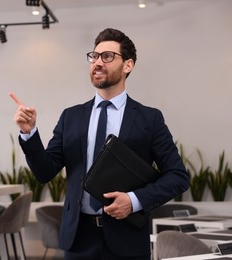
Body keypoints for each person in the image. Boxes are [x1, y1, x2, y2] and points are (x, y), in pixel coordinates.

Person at [11, 28, 189, 259]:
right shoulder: (71, 117)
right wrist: (29, 133)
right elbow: (44, 172)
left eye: (107, 56)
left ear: (128, 65)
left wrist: (134, 201)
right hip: (78, 239)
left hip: (128, 239)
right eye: (94, 56)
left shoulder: (149, 118)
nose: (97, 62)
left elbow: (177, 176)